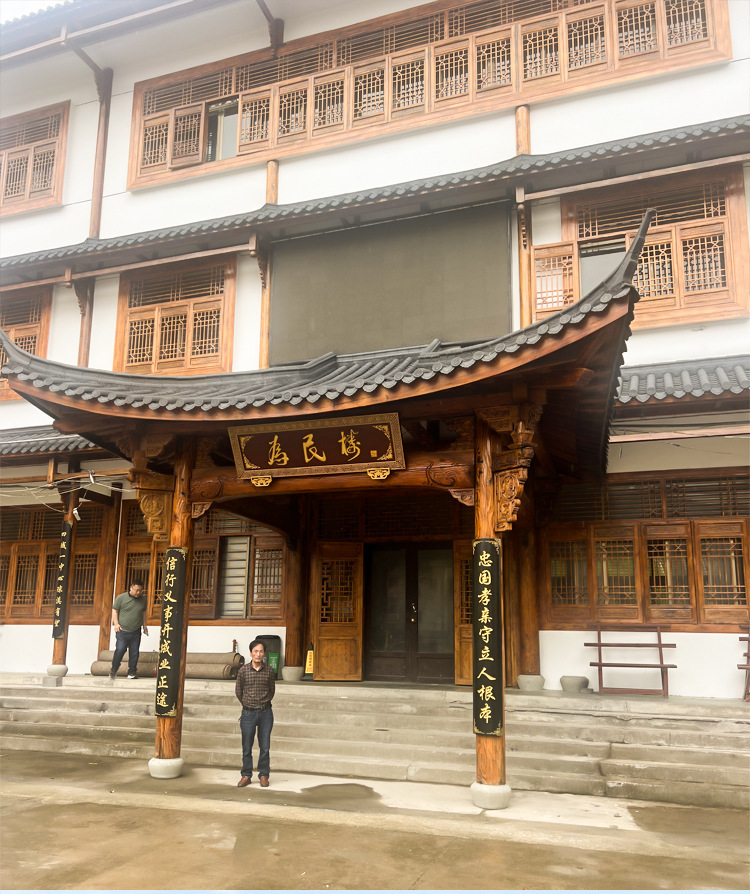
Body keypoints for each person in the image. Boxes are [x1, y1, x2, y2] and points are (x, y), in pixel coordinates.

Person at [235, 638, 275, 788]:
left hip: (266, 713)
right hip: (248, 714)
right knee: (247, 746)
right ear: (251, 653)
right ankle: (246, 775)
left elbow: (272, 691)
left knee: (265, 746)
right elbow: (238, 691)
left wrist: (262, 702)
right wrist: (248, 704)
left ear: (264, 654)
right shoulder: (243, 670)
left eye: (261, 651)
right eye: (255, 651)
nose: (258, 654)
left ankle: (264, 775)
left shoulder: (269, 670)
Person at [109, 580, 148, 680]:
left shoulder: (143, 600)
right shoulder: (121, 597)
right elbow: (115, 610)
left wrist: (144, 626)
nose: (138, 592)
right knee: (120, 649)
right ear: (131, 588)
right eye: (136, 590)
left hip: (136, 631)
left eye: (140, 590)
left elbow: (143, 613)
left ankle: (132, 672)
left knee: (134, 652)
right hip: (122, 630)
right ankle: (114, 669)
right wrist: (116, 624)